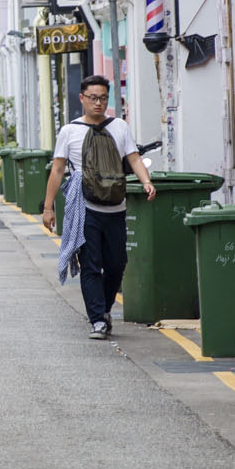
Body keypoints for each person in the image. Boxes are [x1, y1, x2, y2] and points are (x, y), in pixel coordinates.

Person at [41, 74, 154, 338]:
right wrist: (48, 208)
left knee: (116, 264)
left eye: (103, 98)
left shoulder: (119, 127)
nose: (98, 103)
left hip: (116, 207)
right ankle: (98, 320)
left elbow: (134, 158)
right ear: (82, 98)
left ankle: (102, 308)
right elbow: (57, 170)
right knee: (91, 264)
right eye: (93, 98)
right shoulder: (70, 131)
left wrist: (146, 181)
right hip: (84, 207)